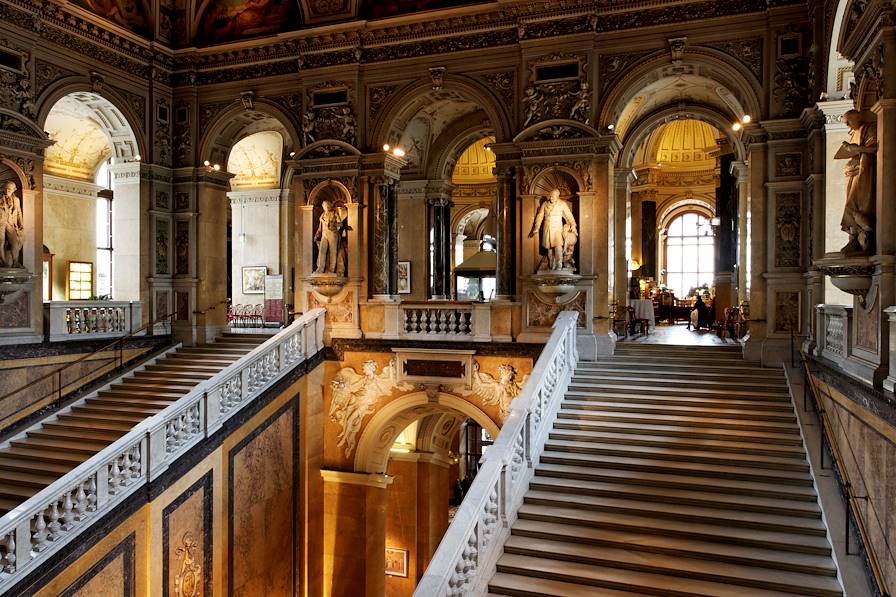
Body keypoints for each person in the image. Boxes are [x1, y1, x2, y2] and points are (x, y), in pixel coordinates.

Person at [838, 109, 878, 255]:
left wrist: (857, 149)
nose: (847, 125)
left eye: (848, 122)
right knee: (850, 205)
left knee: (855, 206)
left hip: (867, 173)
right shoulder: (854, 132)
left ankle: (863, 237)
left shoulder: (870, 128)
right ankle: (854, 237)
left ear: (856, 118)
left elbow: (874, 148)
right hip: (856, 173)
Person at [529, 189, 577, 271]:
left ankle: (559, 266)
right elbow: (540, 216)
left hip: (557, 229)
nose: (551, 198)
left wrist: (573, 224)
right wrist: (536, 227)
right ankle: (552, 266)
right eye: (550, 196)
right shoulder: (545, 204)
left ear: (557, 196)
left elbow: (569, 215)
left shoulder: (562, 204)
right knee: (549, 248)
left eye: (553, 196)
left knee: (558, 246)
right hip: (547, 228)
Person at [314, 200, 344, 274]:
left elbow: (340, 224)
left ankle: (332, 269)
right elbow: (320, 227)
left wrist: (334, 226)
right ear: (323, 207)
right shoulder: (322, 215)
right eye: (324, 206)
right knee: (322, 251)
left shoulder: (334, 213)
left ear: (330, 206)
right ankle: (320, 269)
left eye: (327, 205)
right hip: (324, 234)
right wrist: (317, 234)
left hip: (333, 234)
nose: (326, 207)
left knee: (332, 252)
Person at [0, 180, 24, 269]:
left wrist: (20, 223)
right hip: (1, 223)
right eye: (5, 189)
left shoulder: (16, 200)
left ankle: (15, 262)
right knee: (1, 242)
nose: (7, 191)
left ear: (14, 190)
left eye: (9, 189)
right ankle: (3, 262)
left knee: (15, 242)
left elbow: (18, 212)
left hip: (10, 223)